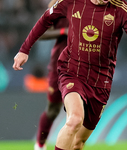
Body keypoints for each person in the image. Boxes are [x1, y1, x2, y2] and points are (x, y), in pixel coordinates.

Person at [13, 0, 127, 149]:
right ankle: (40, 143)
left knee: (78, 143)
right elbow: (46, 19)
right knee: (74, 120)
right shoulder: (72, 1)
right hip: (72, 72)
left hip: (100, 82)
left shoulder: (120, 7)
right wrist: (24, 50)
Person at [33, 0, 68, 149]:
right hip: (59, 66)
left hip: (82, 66)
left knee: (77, 110)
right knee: (53, 110)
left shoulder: (91, 6)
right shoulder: (57, 6)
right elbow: (40, 32)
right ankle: (40, 144)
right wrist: (63, 31)